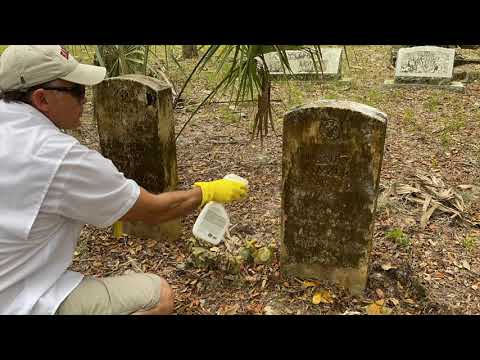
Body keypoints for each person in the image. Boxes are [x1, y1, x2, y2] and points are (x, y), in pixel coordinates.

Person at [0, 45, 248, 315]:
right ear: (42, 99)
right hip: (16, 297)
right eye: (76, 91)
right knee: (158, 295)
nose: (85, 100)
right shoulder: (58, 156)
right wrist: (208, 191)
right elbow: (155, 210)